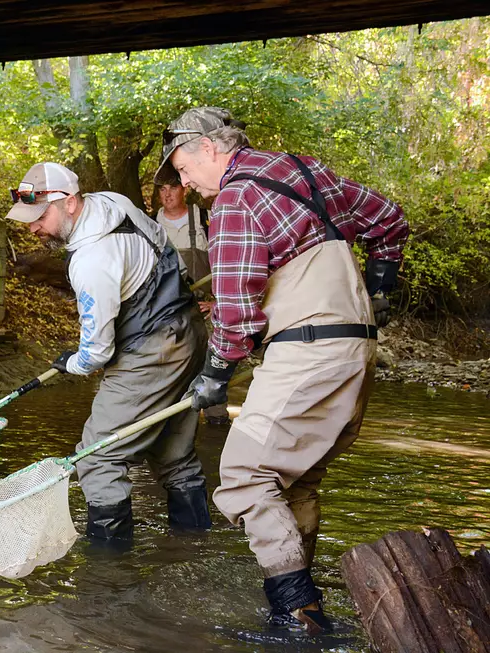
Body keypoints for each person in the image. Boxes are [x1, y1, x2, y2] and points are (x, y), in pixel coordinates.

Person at [158, 107, 409, 634]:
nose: (188, 185)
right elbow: (388, 218)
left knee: (245, 477)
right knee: (294, 480)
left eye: (183, 170)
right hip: (357, 351)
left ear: (208, 148)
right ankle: (305, 600)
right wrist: (382, 287)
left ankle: (296, 615)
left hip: (307, 349)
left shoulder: (234, 198)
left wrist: (215, 375)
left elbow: (235, 310)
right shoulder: (304, 169)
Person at [4, 162, 211, 542]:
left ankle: (109, 576)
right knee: (173, 454)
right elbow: (168, 253)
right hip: (189, 331)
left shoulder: (90, 261)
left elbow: (96, 353)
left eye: (39, 217)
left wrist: (73, 362)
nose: (32, 228)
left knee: (97, 459)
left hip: (152, 352)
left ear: (68, 202)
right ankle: (194, 546)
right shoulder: (114, 203)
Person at [155, 161, 230, 425]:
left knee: (213, 361)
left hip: (207, 309)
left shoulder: (203, 218)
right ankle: (173, 422)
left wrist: (217, 302)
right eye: (162, 190)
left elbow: (225, 261)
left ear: (183, 190)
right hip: (169, 312)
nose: (167, 195)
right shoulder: (151, 225)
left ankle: (216, 419)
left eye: (172, 188)